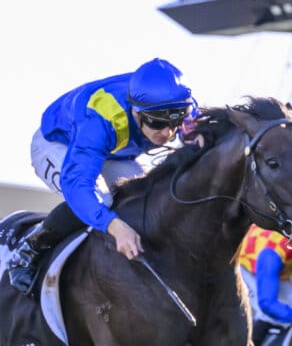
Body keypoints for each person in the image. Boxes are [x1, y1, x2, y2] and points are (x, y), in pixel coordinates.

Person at [9, 58, 196, 296]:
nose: (168, 132)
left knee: (144, 200)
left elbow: (197, 131)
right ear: (135, 112)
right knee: (103, 202)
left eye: (176, 121)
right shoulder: (100, 119)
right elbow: (78, 186)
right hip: (60, 144)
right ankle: (29, 249)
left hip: (115, 152)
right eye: (158, 122)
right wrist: (114, 226)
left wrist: (197, 136)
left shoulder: (180, 104)